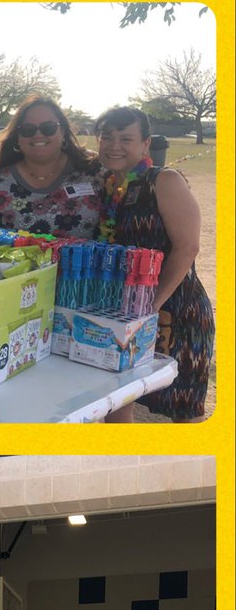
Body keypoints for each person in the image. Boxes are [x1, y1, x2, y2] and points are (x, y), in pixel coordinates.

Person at [95, 106, 215, 423]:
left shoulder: (164, 180)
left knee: (182, 407)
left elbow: (187, 247)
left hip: (174, 309)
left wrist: (151, 307)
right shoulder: (106, 185)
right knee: (117, 399)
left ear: (146, 144)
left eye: (126, 138)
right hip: (124, 311)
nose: (114, 145)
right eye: (107, 137)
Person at [0, 95, 103, 240]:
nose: (38, 135)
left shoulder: (95, 171)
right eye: (28, 129)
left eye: (48, 128)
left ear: (63, 132)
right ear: (17, 137)